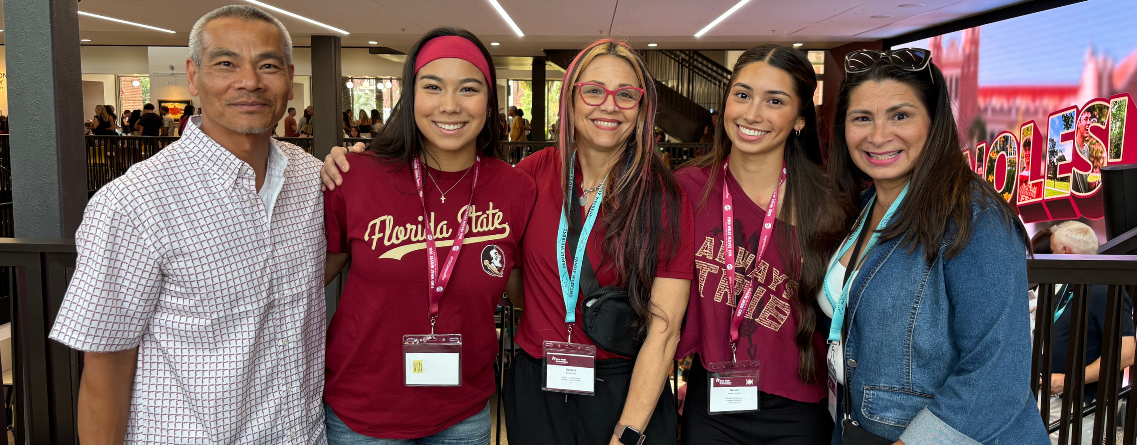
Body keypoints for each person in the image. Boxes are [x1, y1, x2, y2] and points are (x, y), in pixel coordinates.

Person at [48, 5, 327, 443]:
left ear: (289, 79)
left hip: (302, 433)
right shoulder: (134, 203)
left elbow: (305, 273)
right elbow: (105, 370)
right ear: (194, 76)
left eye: (267, 65)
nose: (250, 81)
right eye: (226, 64)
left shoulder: (311, 179)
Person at [319, 27, 536, 445]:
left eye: (469, 89)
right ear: (410, 94)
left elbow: (526, 291)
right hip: (362, 414)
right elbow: (305, 280)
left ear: (490, 102)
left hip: (463, 415)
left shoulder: (516, 189)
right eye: (433, 86)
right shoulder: (357, 176)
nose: (450, 106)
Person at [823, 48, 1048, 444]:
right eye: (862, 118)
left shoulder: (973, 218)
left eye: (900, 115)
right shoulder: (862, 207)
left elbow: (996, 374)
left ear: (935, 122)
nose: (878, 135)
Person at [674, 44, 842, 444]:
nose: (752, 114)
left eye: (775, 100)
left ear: (800, 117)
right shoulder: (687, 189)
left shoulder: (829, 206)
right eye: (743, 94)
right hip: (712, 398)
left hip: (799, 408)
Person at [1044, 221, 1135, 445]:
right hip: (1051, 398)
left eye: (1053, 251)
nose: (1051, 256)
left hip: (1080, 403)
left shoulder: (1104, 289)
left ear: (1065, 251)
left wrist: (1069, 380)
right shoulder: (1067, 286)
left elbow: (1125, 354)